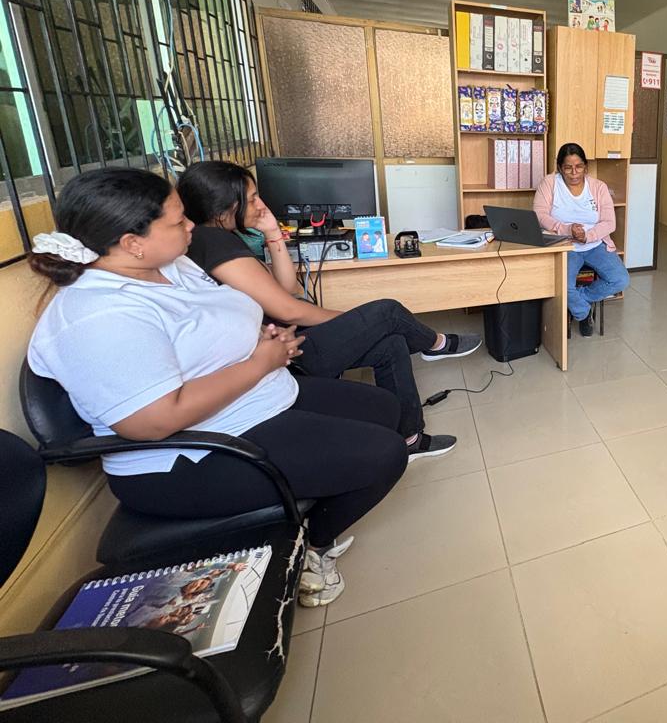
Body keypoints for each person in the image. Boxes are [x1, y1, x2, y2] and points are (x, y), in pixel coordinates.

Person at [27, 168, 410, 607]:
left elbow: (212, 322)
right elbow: (152, 422)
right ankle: (312, 546)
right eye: (178, 221)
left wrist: (261, 339)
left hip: (253, 397)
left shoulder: (168, 265)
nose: (191, 224)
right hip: (187, 456)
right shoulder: (96, 315)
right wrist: (259, 362)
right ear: (132, 242)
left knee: (384, 409)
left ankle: (309, 497)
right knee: (385, 454)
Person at [177, 160, 482, 460]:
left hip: (289, 343)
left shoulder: (219, 240)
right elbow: (289, 310)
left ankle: (410, 439)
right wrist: (352, 321)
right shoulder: (213, 242)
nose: (260, 204)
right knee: (387, 313)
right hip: (291, 352)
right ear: (224, 207)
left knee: (392, 344)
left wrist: (272, 231)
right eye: (253, 197)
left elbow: (287, 287)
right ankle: (435, 344)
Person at [533, 142, 629, 336]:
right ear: (559, 167)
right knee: (561, 285)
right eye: (568, 167)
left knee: (620, 280)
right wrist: (566, 229)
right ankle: (583, 313)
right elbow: (539, 214)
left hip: (595, 244)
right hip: (564, 245)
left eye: (579, 166)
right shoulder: (549, 183)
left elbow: (609, 223)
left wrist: (588, 236)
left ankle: (581, 299)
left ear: (586, 166)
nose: (574, 173)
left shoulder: (598, 187)